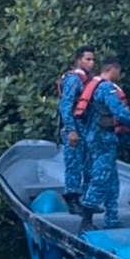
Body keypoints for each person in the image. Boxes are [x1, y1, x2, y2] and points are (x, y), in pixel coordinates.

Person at [76, 55, 130, 231]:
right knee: (100, 177)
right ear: (113, 69)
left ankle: (112, 218)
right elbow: (120, 112)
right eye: (119, 71)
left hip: (95, 136)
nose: (119, 75)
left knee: (112, 180)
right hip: (103, 139)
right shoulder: (106, 88)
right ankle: (86, 220)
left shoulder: (93, 85)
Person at [57, 46, 95, 215]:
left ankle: (86, 201)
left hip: (86, 127)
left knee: (87, 164)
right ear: (79, 60)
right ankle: (72, 199)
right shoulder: (73, 79)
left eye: (93, 59)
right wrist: (71, 130)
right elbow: (65, 106)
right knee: (73, 163)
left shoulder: (89, 79)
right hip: (74, 126)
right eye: (88, 59)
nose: (91, 63)